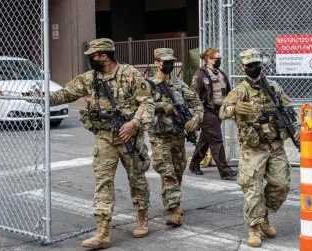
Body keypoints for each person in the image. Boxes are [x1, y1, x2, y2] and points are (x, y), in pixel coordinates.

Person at [49, 38, 155, 249]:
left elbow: (147, 102)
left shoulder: (130, 74)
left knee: (137, 180)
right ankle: (102, 233)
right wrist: (42, 97)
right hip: (105, 137)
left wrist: (134, 123)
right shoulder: (90, 78)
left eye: (93, 56)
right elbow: (67, 93)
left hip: (128, 137)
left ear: (104, 56)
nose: (90, 59)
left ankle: (142, 219)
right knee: (103, 184)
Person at [219, 49, 300, 247]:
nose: (254, 68)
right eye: (250, 65)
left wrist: (297, 129)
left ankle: (263, 216)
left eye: (257, 64)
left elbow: (288, 109)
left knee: (281, 185)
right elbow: (222, 112)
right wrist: (234, 108)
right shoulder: (240, 90)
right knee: (253, 189)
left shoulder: (273, 87)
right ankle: (254, 228)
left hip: (275, 145)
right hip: (253, 147)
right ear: (243, 68)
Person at [146, 48, 203, 226]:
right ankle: (175, 209)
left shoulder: (179, 84)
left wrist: (195, 119)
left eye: (171, 62)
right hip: (159, 136)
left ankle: (171, 201)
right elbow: (137, 105)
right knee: (167, 171)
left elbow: (197, 104)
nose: (168, 65)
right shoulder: (148, 85)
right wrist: (160, 105)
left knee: (177, 171)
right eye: (165, 62)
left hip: (177, 135)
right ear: (157, 62)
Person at [188, 47, 237, 180]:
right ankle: (225, 170)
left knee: (205, 139)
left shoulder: (220, 73)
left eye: (220, 58)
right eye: (217, 59)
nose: (219, 60)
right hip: (206, 111)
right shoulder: (200, 74)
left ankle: (194, 164)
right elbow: (194, 95)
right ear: (208, 59)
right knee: (216, 139)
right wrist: (196, 114)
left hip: (218, 110)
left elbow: (228, 91)